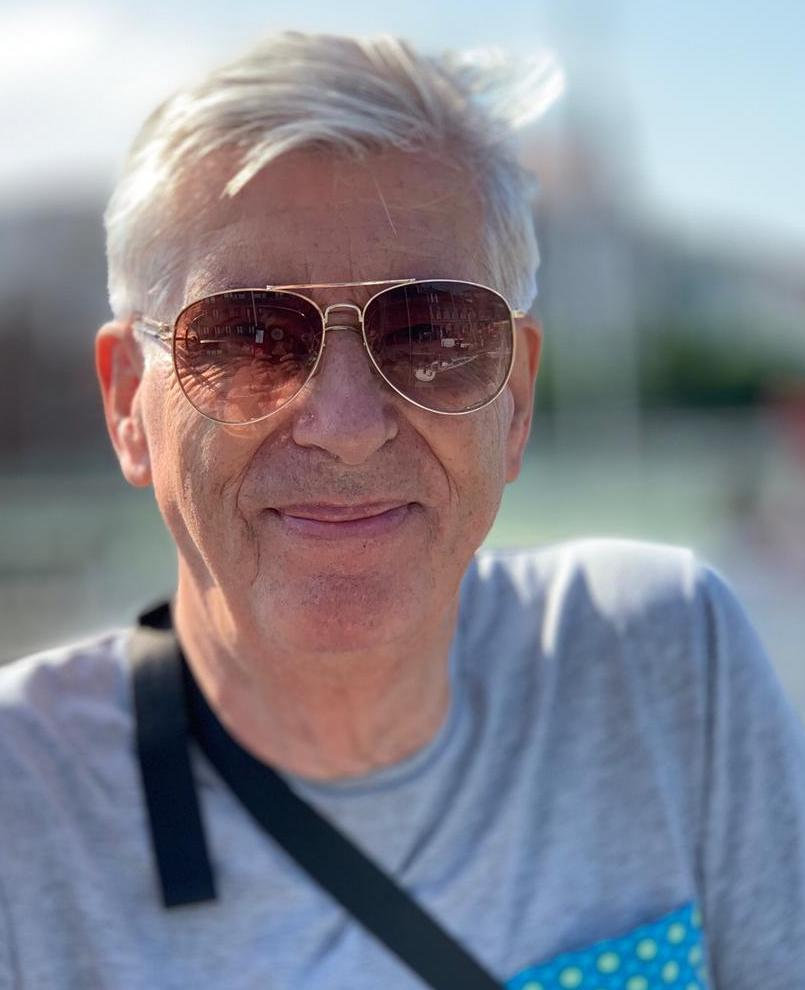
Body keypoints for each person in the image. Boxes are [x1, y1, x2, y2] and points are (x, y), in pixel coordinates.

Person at [1, 32, 803, 990]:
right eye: (250, 337)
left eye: (430, 333)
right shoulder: (21, 815)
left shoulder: (661, 662)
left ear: (515, 401)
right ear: (129, 404)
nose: (346, 426)